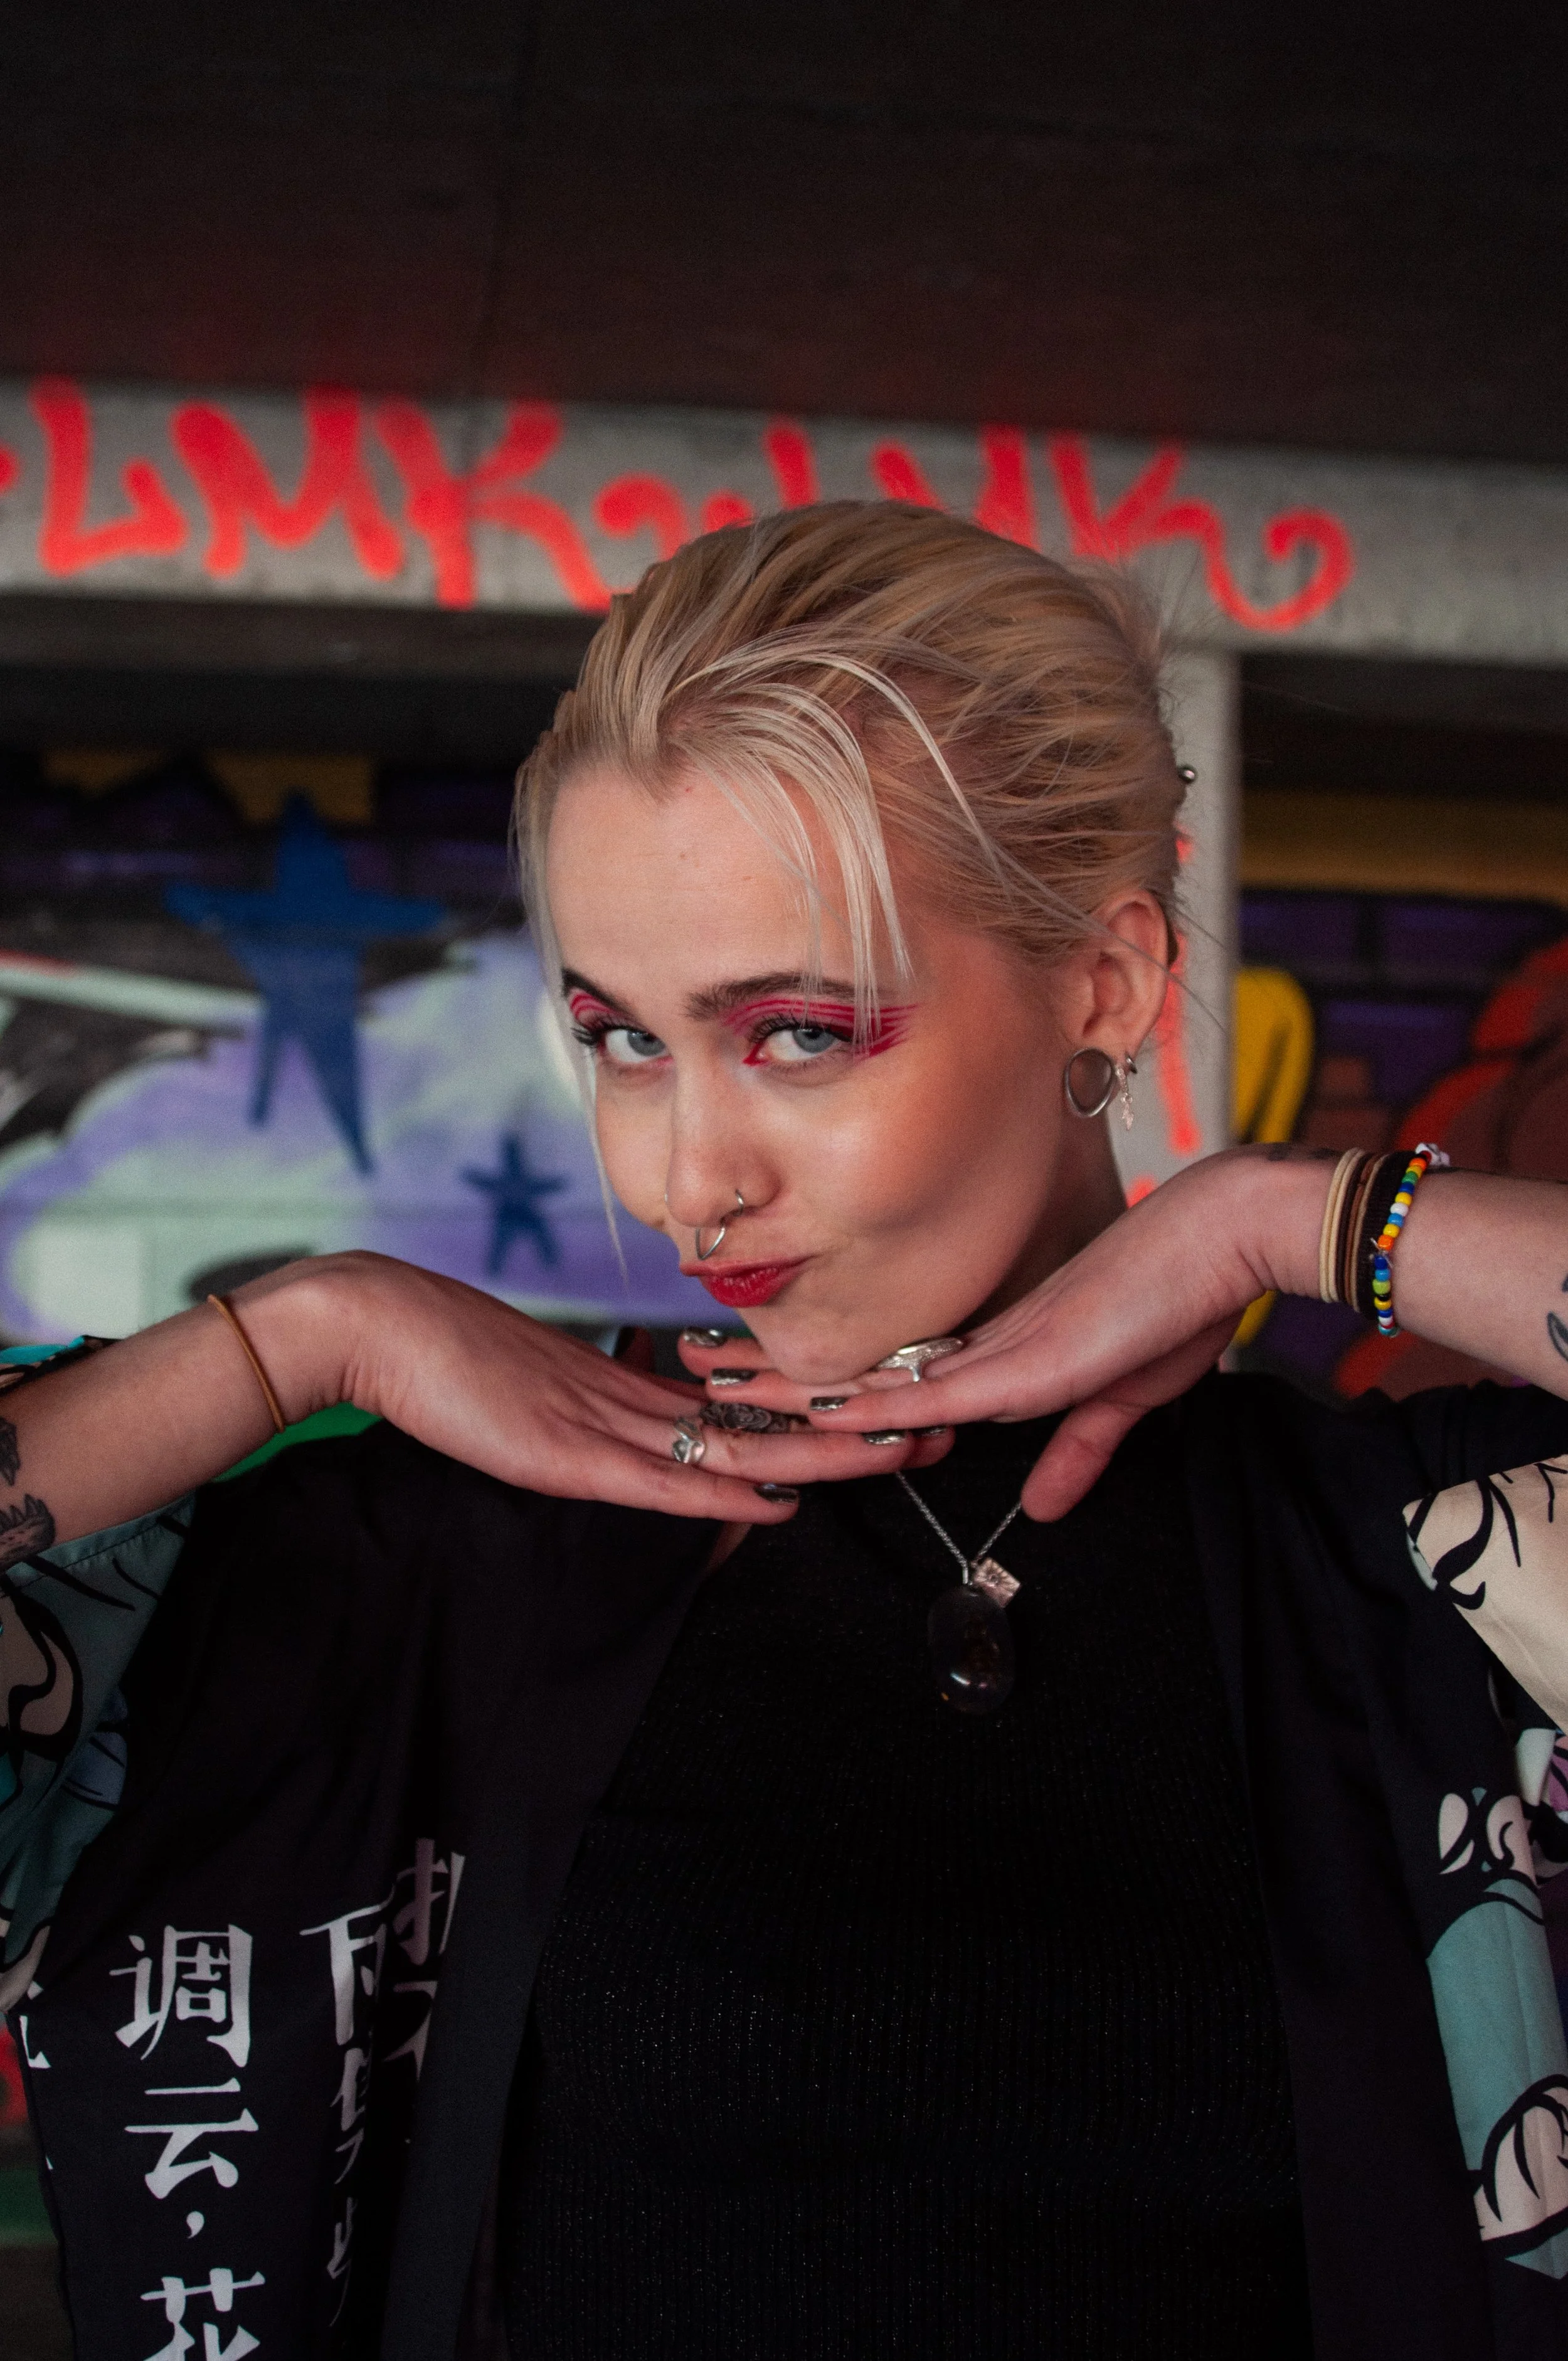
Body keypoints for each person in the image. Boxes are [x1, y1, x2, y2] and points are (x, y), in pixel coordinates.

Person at [4, 504, 1568, 2361]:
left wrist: (1296, 1218)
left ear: (1108, 986)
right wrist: (292, 1337)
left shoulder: (1402, 1565)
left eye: (801, 1032)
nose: (684, 1178)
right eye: (621, 1037)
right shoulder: (425, 1577)